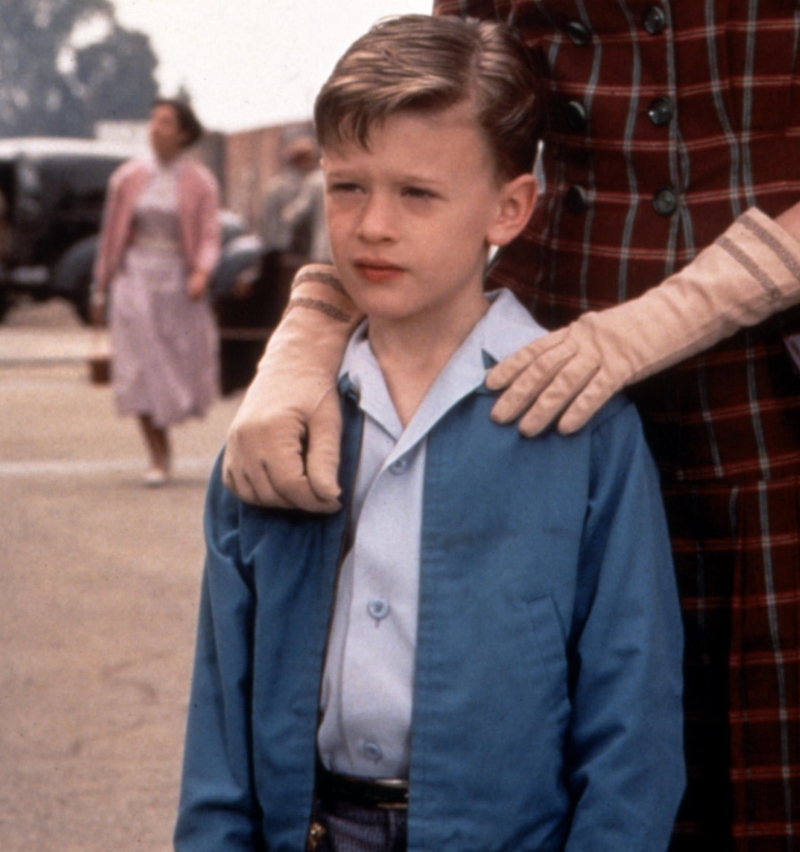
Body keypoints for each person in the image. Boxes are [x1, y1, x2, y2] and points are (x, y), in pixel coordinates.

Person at [222, 4, 800, 849]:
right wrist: (310, 334)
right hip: (534, 404)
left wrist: (678, 313)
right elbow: (434, 127)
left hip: (771, 425)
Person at [92, 98, 221, 486]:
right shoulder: (126, 178)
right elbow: (110, 235)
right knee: (139, 366)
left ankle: (166, 440)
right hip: (135, 279)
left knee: (173, 367)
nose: (155, 128)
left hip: (177, 284)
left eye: (165, 122)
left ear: (182, 133)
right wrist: (100, 288)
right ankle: (157, 456)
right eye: (153, 120)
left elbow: (210, 235)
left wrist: (202, 270)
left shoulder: (201, 182)